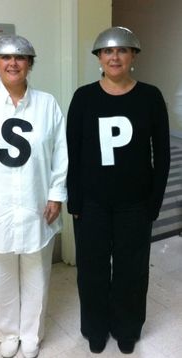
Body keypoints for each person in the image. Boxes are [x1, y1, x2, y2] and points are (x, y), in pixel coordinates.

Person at [0, 34, 68, 358]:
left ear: (30, 64)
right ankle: (7, 333)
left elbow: (59, 154)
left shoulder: (47, 103)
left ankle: (31, 333)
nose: (12, 63)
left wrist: (55, 194)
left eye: (20, 58)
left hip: (37, 204)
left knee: (37, 273)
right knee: (1, 273)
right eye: (5, 58)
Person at [67, 26, 170, 355]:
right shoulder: (84, 97)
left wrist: (154, 201)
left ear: (133, 56)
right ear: (99, 57)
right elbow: (73, 151)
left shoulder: (151, 96)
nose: (115, 56)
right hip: (93, 204)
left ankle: (127, 329)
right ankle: (95, 329)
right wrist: (75, 199)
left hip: (135, 204)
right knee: (92, 270)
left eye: (122, 50)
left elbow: (163, 153)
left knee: (132, 270)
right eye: (108, 51)